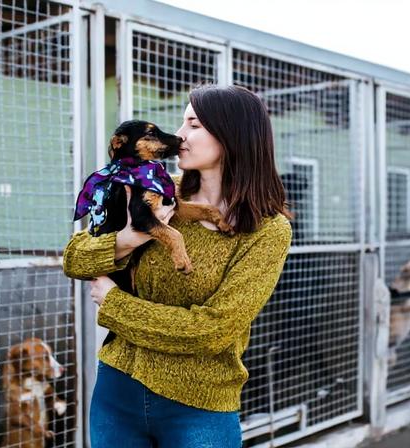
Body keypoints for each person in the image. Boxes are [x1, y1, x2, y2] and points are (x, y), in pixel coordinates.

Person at [62, 84, 292, 448]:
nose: (180, 135)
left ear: (232, 134)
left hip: (199, 405)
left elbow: (212, 330)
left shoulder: (268, 230)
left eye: (194, 125)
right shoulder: (157, 188)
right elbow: (74, 257)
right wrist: (130, 238)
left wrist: (114, 303)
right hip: (118, 389)